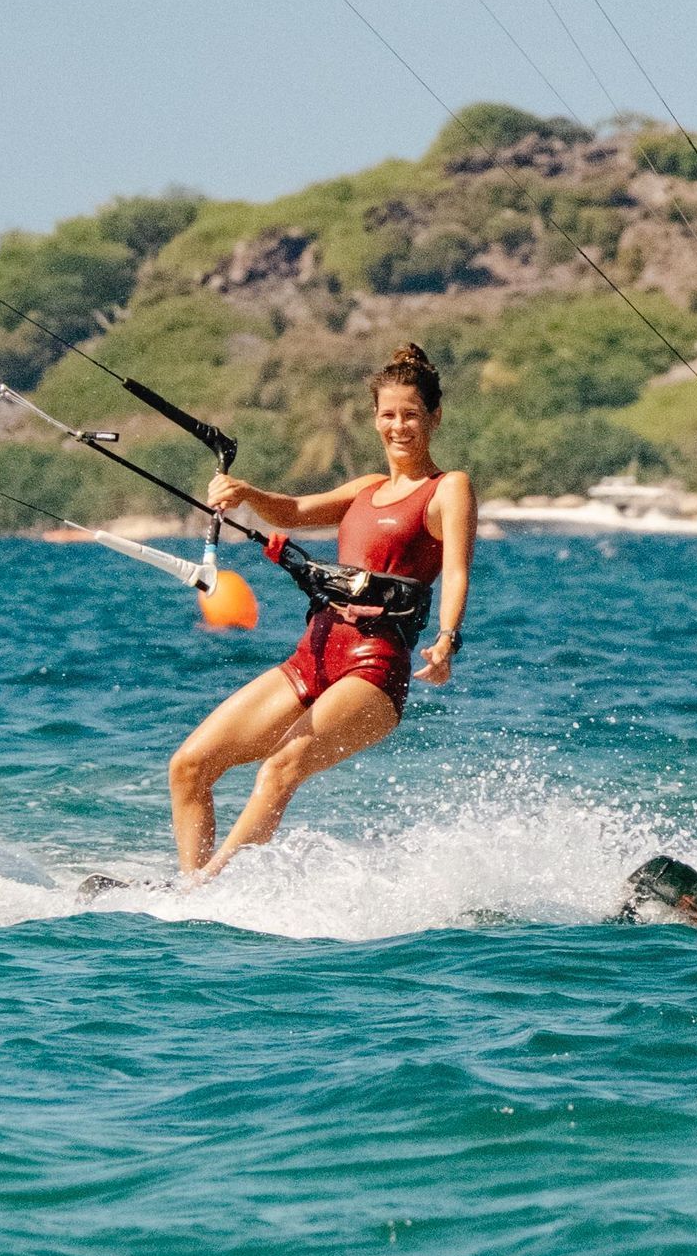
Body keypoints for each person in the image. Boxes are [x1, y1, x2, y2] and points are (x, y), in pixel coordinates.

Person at [167, 342, 473, 877]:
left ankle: (207, 890)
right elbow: (293, 510)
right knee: (189, 767)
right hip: (313, 655)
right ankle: (189, 891)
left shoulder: (448, 488)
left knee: (280, 768)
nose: (398, 427)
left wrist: (447, 637)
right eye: (388, 415)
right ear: (374, 419)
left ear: (435, 417)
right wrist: (245, 492)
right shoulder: (367, 488)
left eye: (411, 414)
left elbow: (457, 571)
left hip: (374, 667)